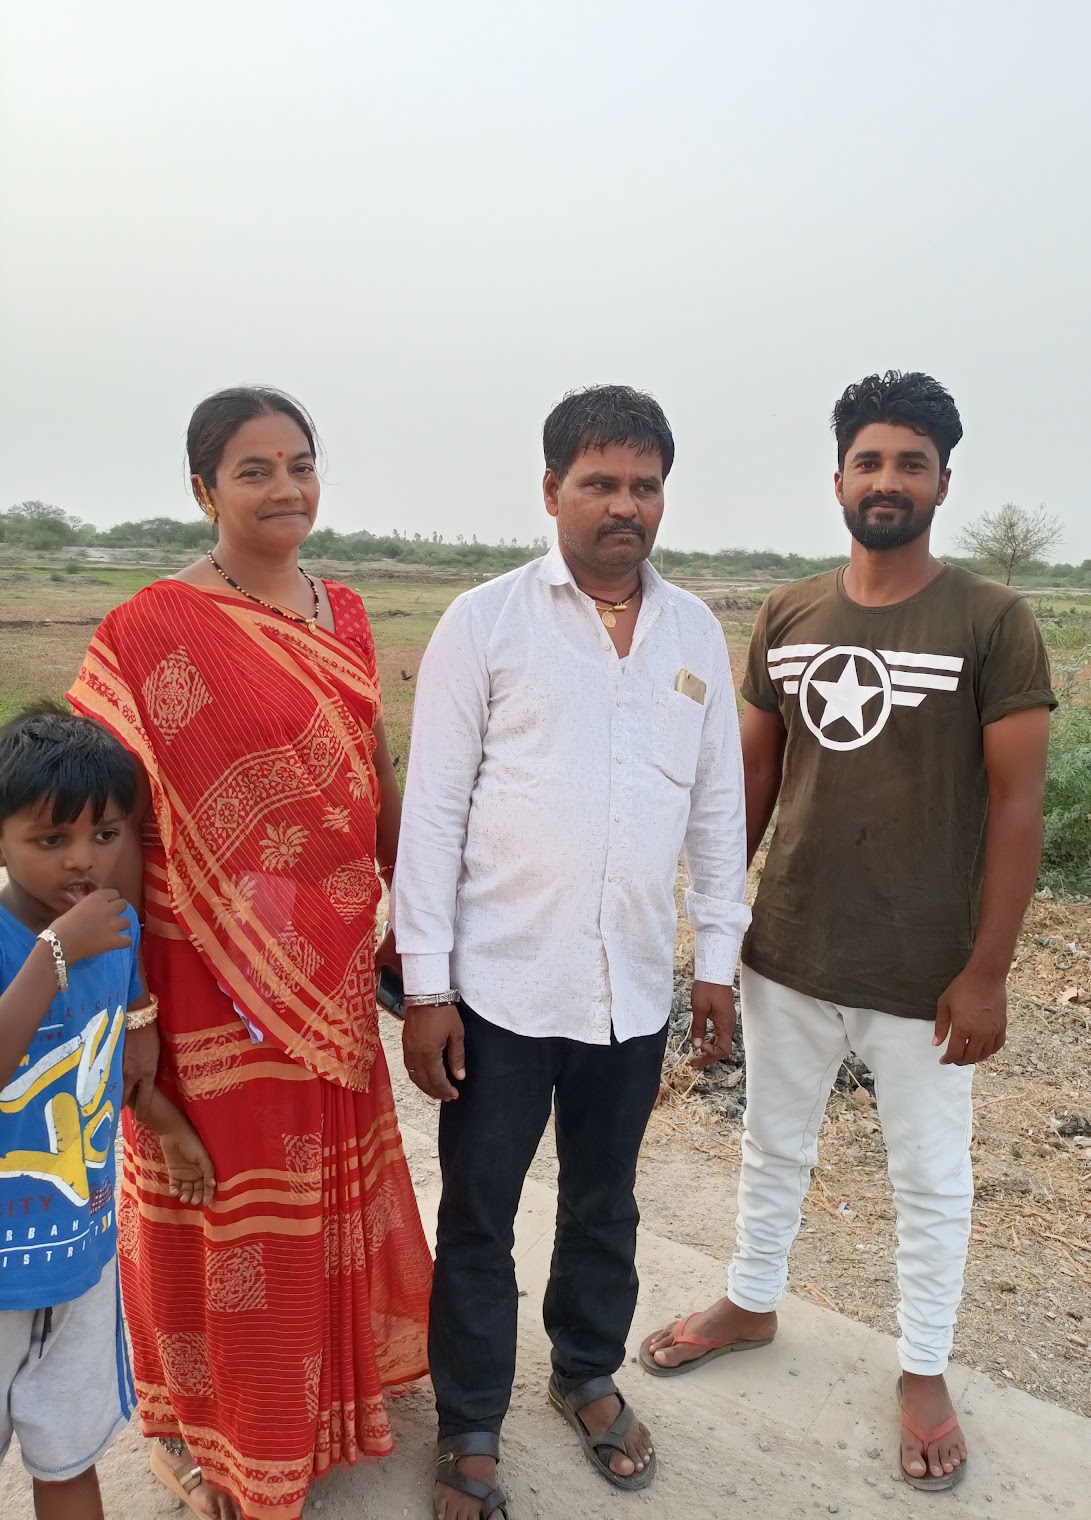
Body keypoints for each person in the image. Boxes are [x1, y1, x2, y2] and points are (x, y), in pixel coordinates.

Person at [641, 371, 1057, 1493]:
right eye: (869, 461)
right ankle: (751, 1300)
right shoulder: (790, 613)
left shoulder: (992, 622)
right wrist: (717, 938)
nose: (888, 480)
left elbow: (1018, 805)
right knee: (773, 1142)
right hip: (788, 948)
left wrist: (987, 972)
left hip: (926, 972)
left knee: (929, 1177)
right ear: (838, 480)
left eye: (911, 463)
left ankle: (923, 1367)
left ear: (943, 483)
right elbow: (749, 784)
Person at [67, 387, 432, 1520]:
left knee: (311, 1193)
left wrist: (415, 921)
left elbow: (372, 770)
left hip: (327, 966)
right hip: (202, 973)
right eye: (255, 470)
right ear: (203, 489)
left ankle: (317, 1411)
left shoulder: (348, 612)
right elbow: (109, 833)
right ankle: (203, 1429)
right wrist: (130, 1006)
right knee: (214, 1203)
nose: (285, 488)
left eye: (300, 464)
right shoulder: (145, 630)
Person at [389, 385, 750, 1520]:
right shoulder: (485, 623)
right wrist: (428, 987)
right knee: (479, 1215)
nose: (624, 505)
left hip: (629, 988)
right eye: (600, 483)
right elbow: (432, 815)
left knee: (606, 1203)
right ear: (552, 491)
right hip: (498, 987)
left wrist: (715, 961)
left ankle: (585, 1371)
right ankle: (470, 1423)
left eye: (645, 485)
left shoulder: (694, 633)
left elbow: (717, 812)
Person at [0, 705, 216, 1520]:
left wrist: (167, 1126)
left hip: (80, 1262)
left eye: (105, 834)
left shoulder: (112, 936)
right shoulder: (37, 943)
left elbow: (98, 1068)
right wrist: (56, 953)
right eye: (50, 838)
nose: (82, 860)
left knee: (69, 1459)